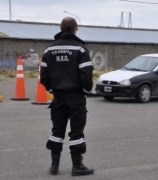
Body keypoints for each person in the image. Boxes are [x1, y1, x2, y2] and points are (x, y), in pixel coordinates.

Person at [40, 17, 94, 176]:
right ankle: (77, 166)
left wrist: (51, 89)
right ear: (75, 29)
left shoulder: (49, 50)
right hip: (76, 98)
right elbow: (86, 74)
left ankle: (54, 166)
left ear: (61, 28)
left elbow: (43, 75)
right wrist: (87, 90)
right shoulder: (81, 49)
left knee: (57, 131)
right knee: (76, 133)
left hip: (58, 98)